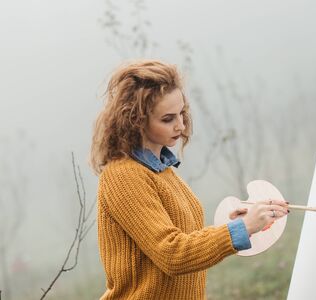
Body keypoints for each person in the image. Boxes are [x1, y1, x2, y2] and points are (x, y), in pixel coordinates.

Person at [90, 60, 289, 300]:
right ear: (136, 120)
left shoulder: (163, 170)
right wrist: (240, 230)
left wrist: (237, 225)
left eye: (182, 113)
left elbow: (182, 237)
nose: (181, 125)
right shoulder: (123, 176)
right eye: (167, 119)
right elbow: (172, 254)